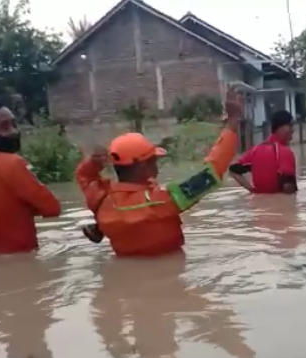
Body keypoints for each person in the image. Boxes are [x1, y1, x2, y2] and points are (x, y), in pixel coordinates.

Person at [75, 87, 243, 257]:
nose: (157, 166)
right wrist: (233, 120)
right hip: (170, 269)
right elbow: (213, 171)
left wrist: (92, 165)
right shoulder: (163, 201)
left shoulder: (100, 198)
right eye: (154, 160)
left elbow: (84, 178)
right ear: (144, 167)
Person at [0, 101, 61, 254]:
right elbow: (52, 208)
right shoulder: (13, 163)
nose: (14, 131)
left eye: (14, 124)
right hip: (22, 255)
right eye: (4, 127)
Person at [228, 109, 297, 194]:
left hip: (258, 204)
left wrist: (252, 190)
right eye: (290, 125)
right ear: (280, 127)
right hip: (278, 205)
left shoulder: (255, 150)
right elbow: (288, 188)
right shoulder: (285, 152)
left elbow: (232, 170)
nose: (293, 129)